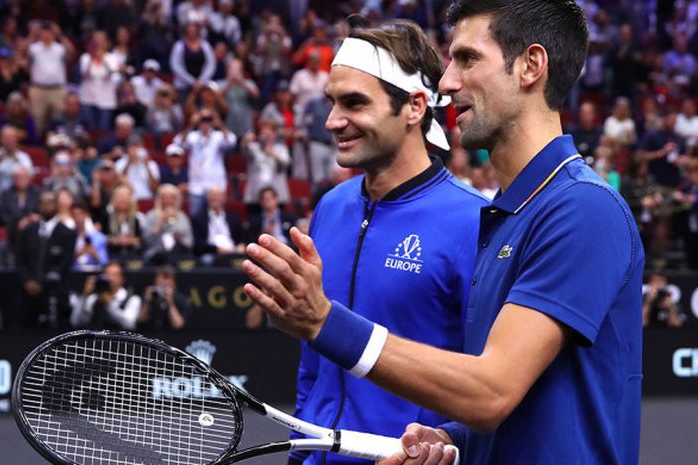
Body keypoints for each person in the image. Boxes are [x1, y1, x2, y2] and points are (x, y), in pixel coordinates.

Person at [241, 3, 645, 465]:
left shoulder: (582, 208)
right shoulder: (508, 214)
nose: (448, 82)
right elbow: (522, 410)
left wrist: (323, 323)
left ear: (531, 66)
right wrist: (448, 442)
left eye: (467, 59)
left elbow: (491, 393)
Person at [247, 18, 487, 465]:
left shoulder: (475, 222)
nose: (334, 121)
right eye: (332, 103)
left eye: (354, 103)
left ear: (415, 107)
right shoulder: (331, 206)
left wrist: (446, 444)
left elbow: (494, 387)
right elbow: (313, 359)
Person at [16, 190, 77, 327]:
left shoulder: (67, 233)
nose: (47, 206)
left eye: (50, 202)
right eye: (43, 202)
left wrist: (41, 284)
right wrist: (27, 281)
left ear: (57, 205)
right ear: (38, 205)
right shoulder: (27, 231)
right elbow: (20, 260)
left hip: (56, 294)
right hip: (28, 294)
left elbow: (64, 264)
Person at [70, 261, 142, 330]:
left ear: (122, 278)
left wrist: (109, 305)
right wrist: (84, 296)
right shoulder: (94, 299)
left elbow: (129, 325)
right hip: (95, 341)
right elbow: (76, 322)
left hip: (119, 341)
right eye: (107, 274)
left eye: (114, 275)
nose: (110, 278)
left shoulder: (132, 299)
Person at [142, 183, 193, 264]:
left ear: (176, 200)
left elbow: (189, 242)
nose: (167, 201)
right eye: (164, 198)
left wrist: (179, 238)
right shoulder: (151, 215)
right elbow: (147, 240)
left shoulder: (182, 217)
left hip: (178, 252)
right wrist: (161, 221)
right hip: (156, 253)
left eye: (171, 198)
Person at [138, 265, 192, 330]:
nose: (163, 288)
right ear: (155, 282)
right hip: (149, 335)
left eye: (167, 285)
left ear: (174, 284)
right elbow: (141, 320)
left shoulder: (181, 299)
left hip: (172, 337)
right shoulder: (149, 296)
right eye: (160, 284)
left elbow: (178, 325)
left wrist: (171, 304)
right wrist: (147, 302)